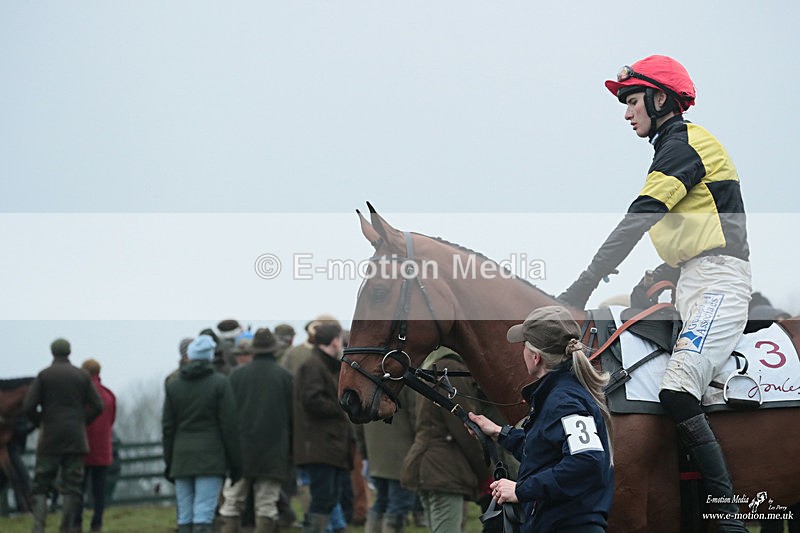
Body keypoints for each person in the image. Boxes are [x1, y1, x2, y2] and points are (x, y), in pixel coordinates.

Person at [556, 55, 751, 532]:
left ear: (659, 98)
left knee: (677, 387)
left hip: (719, 283)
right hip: (692, 279)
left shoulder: (683, 146)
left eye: (631, 100)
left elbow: (637, 219)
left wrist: (583, 284)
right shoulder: (673, 146)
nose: (626, 112)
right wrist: (657, 274)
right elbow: (695, 230)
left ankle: (729, 519)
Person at [469, 306, 614, 533]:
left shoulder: (564, 400)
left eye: (524, 346)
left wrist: (520, 490)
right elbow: (546, 452)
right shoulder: (559, 394)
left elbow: (587, 461)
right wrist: (500, 433)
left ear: (535, 357)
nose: (522, 352)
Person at [401, 348, 490, 533]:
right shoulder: (449, 370)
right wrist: (486, 473)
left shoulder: (429, 368)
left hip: (429, 465)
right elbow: (466, 429)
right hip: (443, 469)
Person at [22, 338, 105, 533]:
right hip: (75, 439)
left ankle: (38, 527)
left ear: (52, 352)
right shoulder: (81, 376)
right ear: (69, 352)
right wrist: (81, 421)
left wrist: (41, 422)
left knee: (41, 485)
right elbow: (98, 405)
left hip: (49, 438)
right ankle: (65, 528)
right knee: (72, 486)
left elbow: (28, 406)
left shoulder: (43, 376)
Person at [162, 334, 242, 533]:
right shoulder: (220, 383)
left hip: (181, 458)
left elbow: (168, 428)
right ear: (209, 356)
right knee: (204, 512)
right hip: (211, 458)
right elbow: (229, 426)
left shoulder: (174, 385)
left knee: (185, 514)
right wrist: (235, 462)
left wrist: (169, 460)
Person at [219, 328, 293, 533]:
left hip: (240, 451)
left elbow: (227, 415)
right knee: (267, 506)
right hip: (274, 452)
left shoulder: (235, 377)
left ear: (253, 351)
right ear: (274, 350)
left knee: (232, 502)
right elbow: (293, 418)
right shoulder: (286, 378)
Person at [292, 322, 351, 533]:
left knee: (328, 499)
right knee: (322, 499)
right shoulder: (314, 366)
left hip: (327, 445)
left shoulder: (323, 365)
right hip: (318, 446)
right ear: (335, 341)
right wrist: (341, 408)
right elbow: (312, 400)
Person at [358, 385, 417, 533]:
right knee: (398, 506)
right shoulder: (403, 382)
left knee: (381, 501)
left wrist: (365, 451)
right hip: (401, 454)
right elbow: (416, 416)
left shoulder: (367, 378)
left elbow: (357, 420)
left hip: (376, 454)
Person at [73, 358, 117, 533]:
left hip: (81, 447)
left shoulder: (79, 395)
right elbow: (112, 420)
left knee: (78, 489)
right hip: (103, 448)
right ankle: (96, 524)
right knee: (99, 491)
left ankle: (77, 523)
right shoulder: (109, 395)